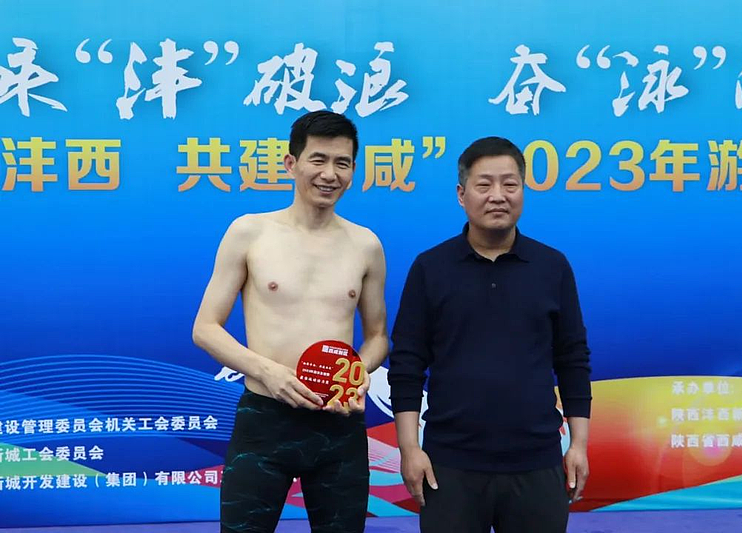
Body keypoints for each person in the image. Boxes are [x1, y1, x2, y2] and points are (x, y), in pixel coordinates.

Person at [192, 111, 388, 533]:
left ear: (353, 169)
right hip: (265, 419)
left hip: (338, 422)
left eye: (342, 163)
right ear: (291, 163)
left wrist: (357, 373)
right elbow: (205, 328)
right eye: (318, 159)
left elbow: (377, 337)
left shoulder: (365, 245)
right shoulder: (250, 232)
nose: (330, 174)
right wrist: (268, 372)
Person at [388, 136, 591, 533]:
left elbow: (573, 359)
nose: (498, 195)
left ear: (523, 191)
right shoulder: (430, 268)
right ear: (461, 194)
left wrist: (579, 445)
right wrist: (409, 448)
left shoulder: (552, 267)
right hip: (449, 464)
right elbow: (407, 364)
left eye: (509, 184)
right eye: (484, 185)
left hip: (536, 460)